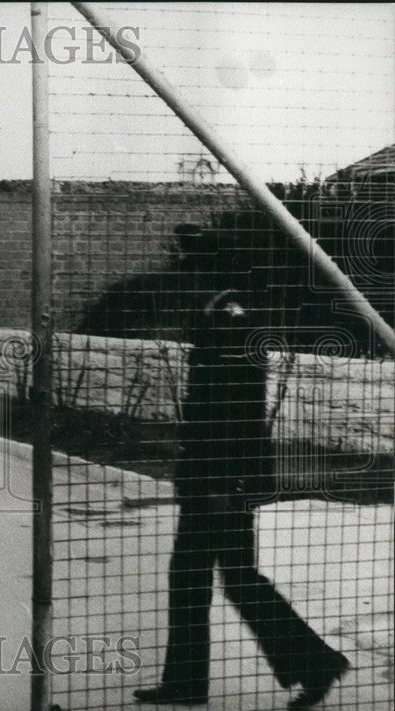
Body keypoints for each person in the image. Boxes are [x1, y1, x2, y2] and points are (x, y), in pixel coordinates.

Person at [133, 289, 349, 710]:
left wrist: (222, 486)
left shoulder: (230, 322)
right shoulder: (228, 318)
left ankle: (313, 661)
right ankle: (307, 662)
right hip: (215, 480)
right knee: (219, 578)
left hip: (218, 482)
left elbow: (232, 414)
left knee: (209, 578)